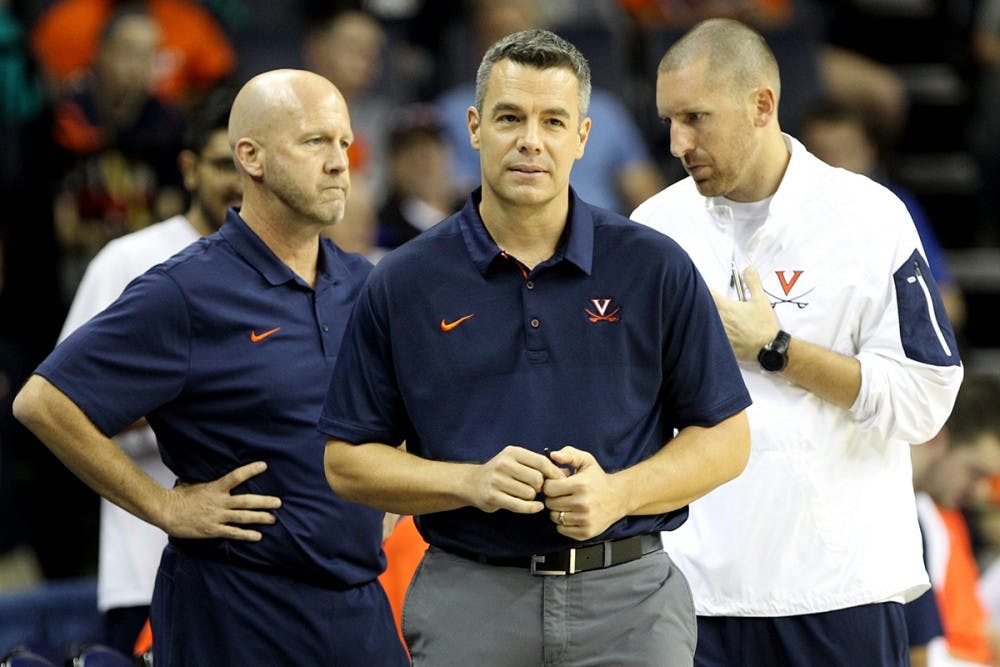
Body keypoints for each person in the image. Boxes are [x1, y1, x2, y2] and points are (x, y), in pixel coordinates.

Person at [320, 28, 752, 666]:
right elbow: (346, 462)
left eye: (553, 121)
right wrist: (471, 481)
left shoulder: (653, 266)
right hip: (469, 600)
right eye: (509, 118)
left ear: (582, 137)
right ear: (474, 128)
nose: (530, 140)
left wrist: (619, 494)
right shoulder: (403, 281)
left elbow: (726, 438)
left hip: (629, 602)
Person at [12, 69, 408, 666]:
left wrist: (388, 500)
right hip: (235, 613)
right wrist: (164, 506)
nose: (338, 163)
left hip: (358, 608)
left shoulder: (364, 283)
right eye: (314, 142)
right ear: (250, 156)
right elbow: (43, 402)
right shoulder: (186, 288)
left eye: (344, 143)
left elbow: (396, 411)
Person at [630, 18, 964, 666]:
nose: (677, 143)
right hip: (692, 592)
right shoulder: (654, 229)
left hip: (840, 590)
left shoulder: (870, 218)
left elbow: (925, 398)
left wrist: (777, 349)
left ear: (762, 105)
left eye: (696, 118)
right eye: (670, 121)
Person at [54, 86, 240, 654]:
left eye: (250, 163)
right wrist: (196, 398)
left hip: (261, 575)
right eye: (223, 165)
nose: (240, 181)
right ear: (189, 169)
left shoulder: (293, 265)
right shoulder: (130, 261)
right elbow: (60, 406)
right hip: (147, 568)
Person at [435, 0, 667, 216]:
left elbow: (646, 195)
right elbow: (441, 201)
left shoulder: (603, 110)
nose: (512, 46)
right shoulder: (452, 112)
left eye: (522, 34)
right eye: (497, 33)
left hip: (599, 236)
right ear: (479, 47)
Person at [800, 99, 967, 338]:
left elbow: (948, 305)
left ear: (870, 152)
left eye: (845, 152)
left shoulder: (895, 208)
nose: (835, 165)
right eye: (821, 154)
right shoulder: (783, 213)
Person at [910, 374, 1000, 667]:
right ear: (937, 438)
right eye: (975, 471)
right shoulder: (913, 521)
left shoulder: (939, 518)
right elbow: (919, 658)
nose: (980, 491)